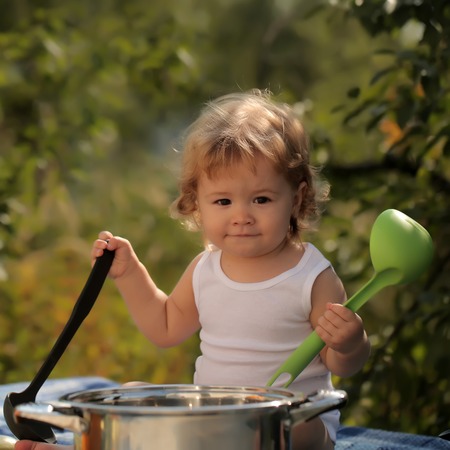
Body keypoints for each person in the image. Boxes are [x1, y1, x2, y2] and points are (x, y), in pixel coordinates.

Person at [15, 90, 370, 450]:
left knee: (292, 429)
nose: (241, 215)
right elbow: (165, 327)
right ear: (196, 204)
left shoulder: (311, 275)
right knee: (131, 398)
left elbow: (340, 364)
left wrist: (350, 342)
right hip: (213, 422)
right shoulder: (206, 270)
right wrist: (129, 273)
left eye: (261, 199)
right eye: (223, 201)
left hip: (289, 423)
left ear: (295, 199)